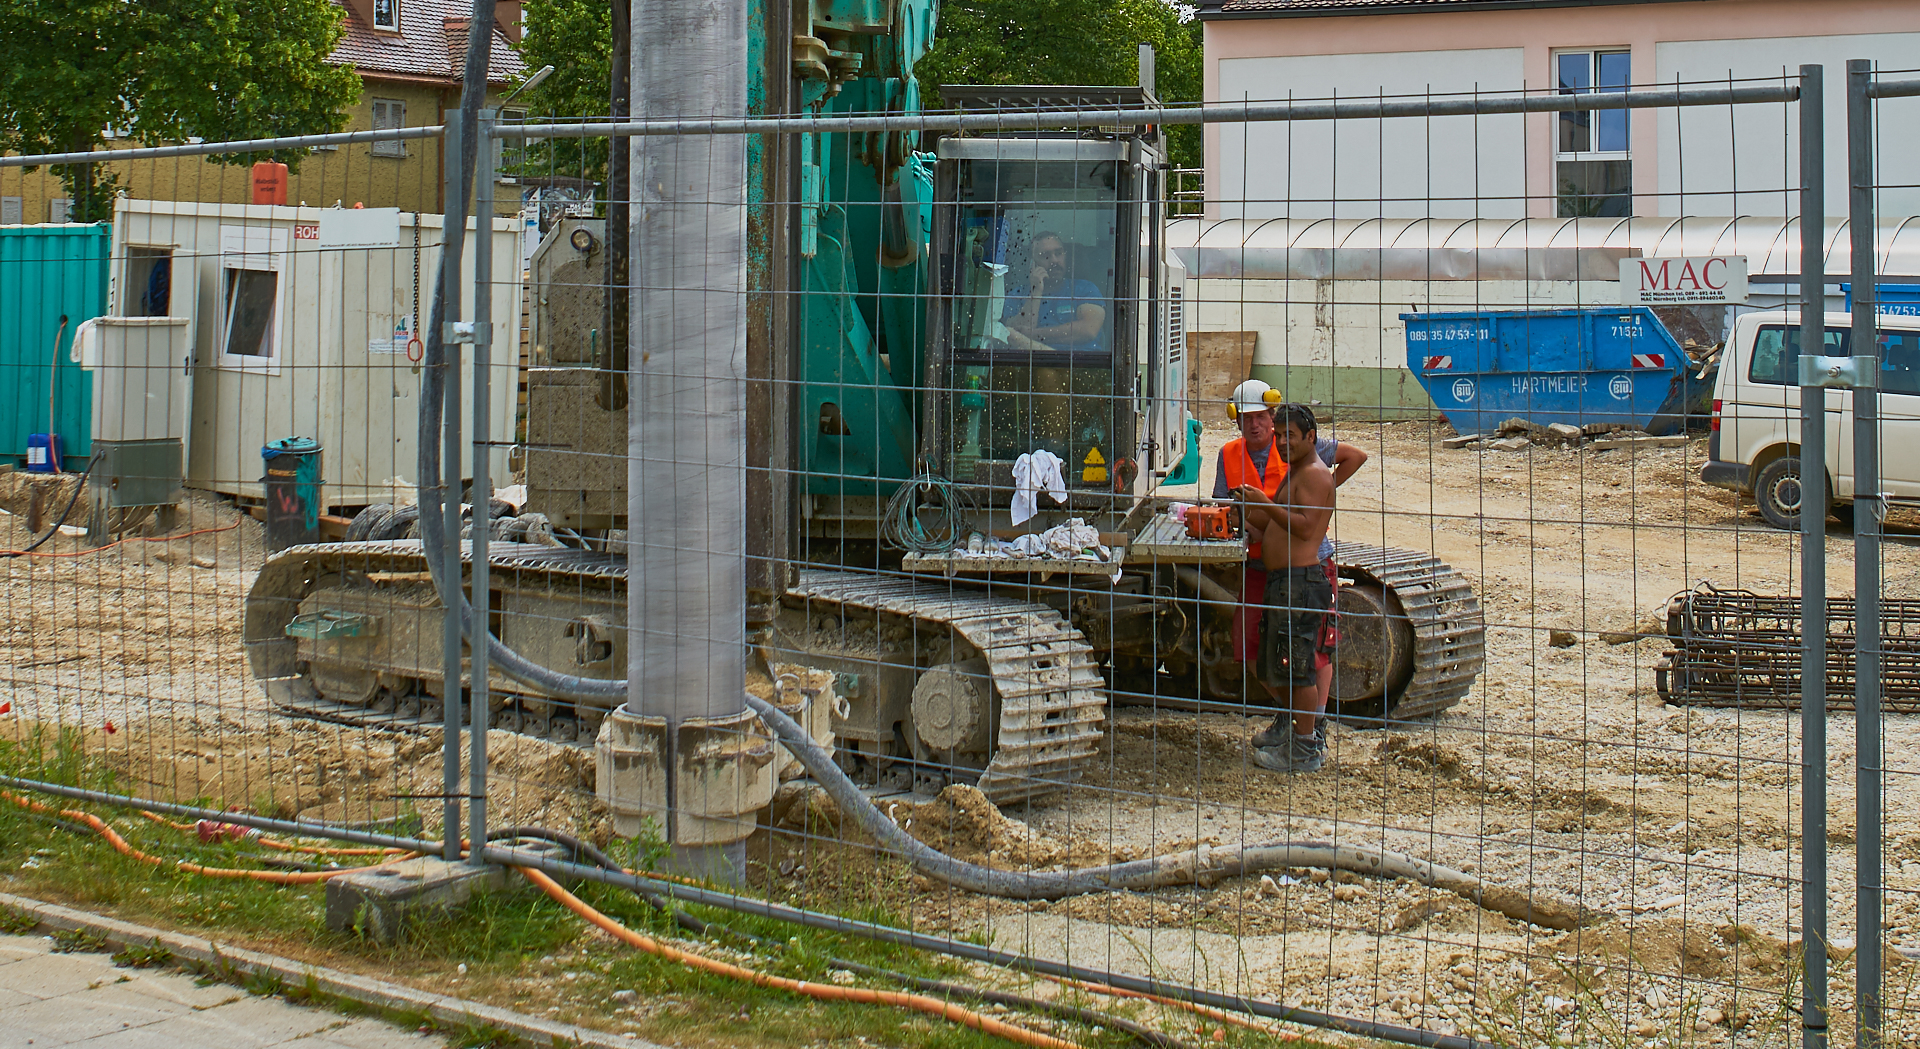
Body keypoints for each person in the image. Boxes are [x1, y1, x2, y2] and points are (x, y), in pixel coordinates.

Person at [1234, 403, 1337, 773]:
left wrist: (1264, 503)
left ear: (1311, 437)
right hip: (1284, 581)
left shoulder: (1313, 474)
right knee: (1277, 665)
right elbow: (1284, 524)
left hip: (1301, 583)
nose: (1280, 442)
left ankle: (1306, 747)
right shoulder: (1297, 472)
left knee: (1299, 668)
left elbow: (1307, 528)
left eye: (1288, 435)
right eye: (1278, 436)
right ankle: (1292, 729)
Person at [1001, 231, 1106, 352]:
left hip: (1081, 364)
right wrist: (1036, 291)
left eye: (1059, 253)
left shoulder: (1085, 289)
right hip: (1033, 365)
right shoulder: (1017, 295)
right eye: (1045, 255)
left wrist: (1034, 335)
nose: (1054, 261)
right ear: (1032, 263)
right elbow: (1014, 335)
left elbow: (1089, 330)